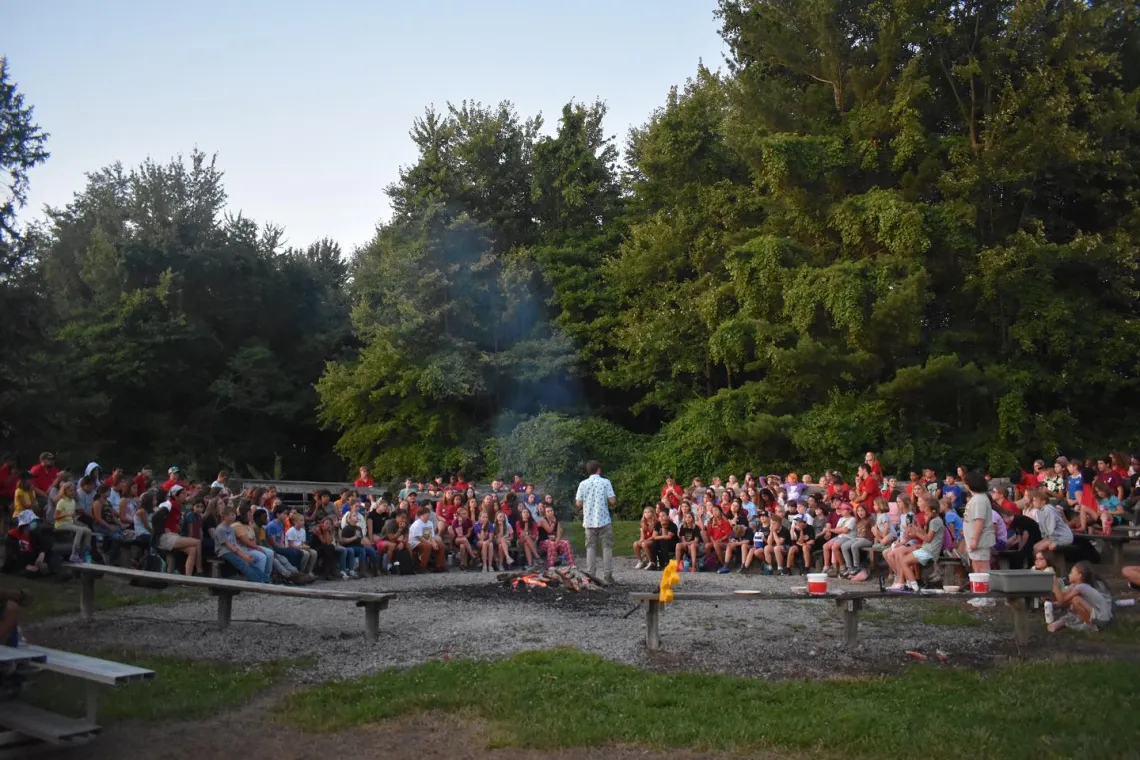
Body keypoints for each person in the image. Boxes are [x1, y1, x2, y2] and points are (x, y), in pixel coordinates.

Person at [574, 460, 616, 584]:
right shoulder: (605, 482)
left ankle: (591, 576)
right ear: (598, 469)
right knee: (607, 547)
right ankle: (608, 576)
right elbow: (612, 501)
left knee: (590, 548)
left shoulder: (583, 484)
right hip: (604, 520)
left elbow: (578, 503)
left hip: (589, 521)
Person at [1045, 562, 1112, 632]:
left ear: (1079, 576)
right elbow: (1063, 595)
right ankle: (1087, 622)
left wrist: (1055, 587)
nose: (1069, 575)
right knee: (1073, 602)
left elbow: (1062, 601)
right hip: (1097, 614)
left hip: (1103, 618)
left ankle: (1090, 626)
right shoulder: (1074, 585)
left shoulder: (1081, 586)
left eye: (1071, 573)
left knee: (1076, 600)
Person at [214, 506, 269, 583]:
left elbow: (235, 544)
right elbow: (229, 545)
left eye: (234, 514)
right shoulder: (220, 529)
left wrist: (244, 554)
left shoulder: (231, 528)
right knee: (243, 564)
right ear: (225, 516)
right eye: (232, 514)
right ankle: (258, 582)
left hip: (232, 550)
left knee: (250, 563)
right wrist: (243, 556)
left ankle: (266, 579)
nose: (234, 516)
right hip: (224, 551)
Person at [409, 507, 446, 572]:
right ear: (421, 515)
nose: (428, 515)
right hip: (415, 542)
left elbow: (430, 536)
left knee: (441, 546)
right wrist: (431, 544)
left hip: (425, 540)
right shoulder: (417, 524)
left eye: (428, 513)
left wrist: (434, 543)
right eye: (426, 514)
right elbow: (420, 538)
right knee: (427, 546)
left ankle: (439, 566)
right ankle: (422, 567)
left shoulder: (429, 523)